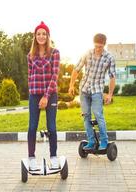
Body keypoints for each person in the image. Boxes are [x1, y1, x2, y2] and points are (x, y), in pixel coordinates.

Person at [68, 33, 116, 150]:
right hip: (84, 89)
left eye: (100, 46)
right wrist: (71, 85)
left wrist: (109, 94)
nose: (97, 49)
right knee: (86, 116)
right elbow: (76, 69)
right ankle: (91, 141)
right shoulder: (87, 53)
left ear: (104, 44)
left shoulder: (109, 58)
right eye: (96, 46)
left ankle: (104, 141)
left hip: (97, 90)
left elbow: (112, 77)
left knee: (98, 115)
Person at [27, 21, 60, 170]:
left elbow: (55, 76)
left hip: (50, 94)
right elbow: (29, 76)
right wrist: (33, 93)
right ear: (35, 36)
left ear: (48, 36)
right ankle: (31, 158)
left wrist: (46, 96)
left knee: (51, 127)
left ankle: (53, 156)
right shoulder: (30, 55)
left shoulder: (55, 53)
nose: (41, 36)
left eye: (44, 34)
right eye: (38, 34)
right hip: (34, 94)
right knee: (32, 127)